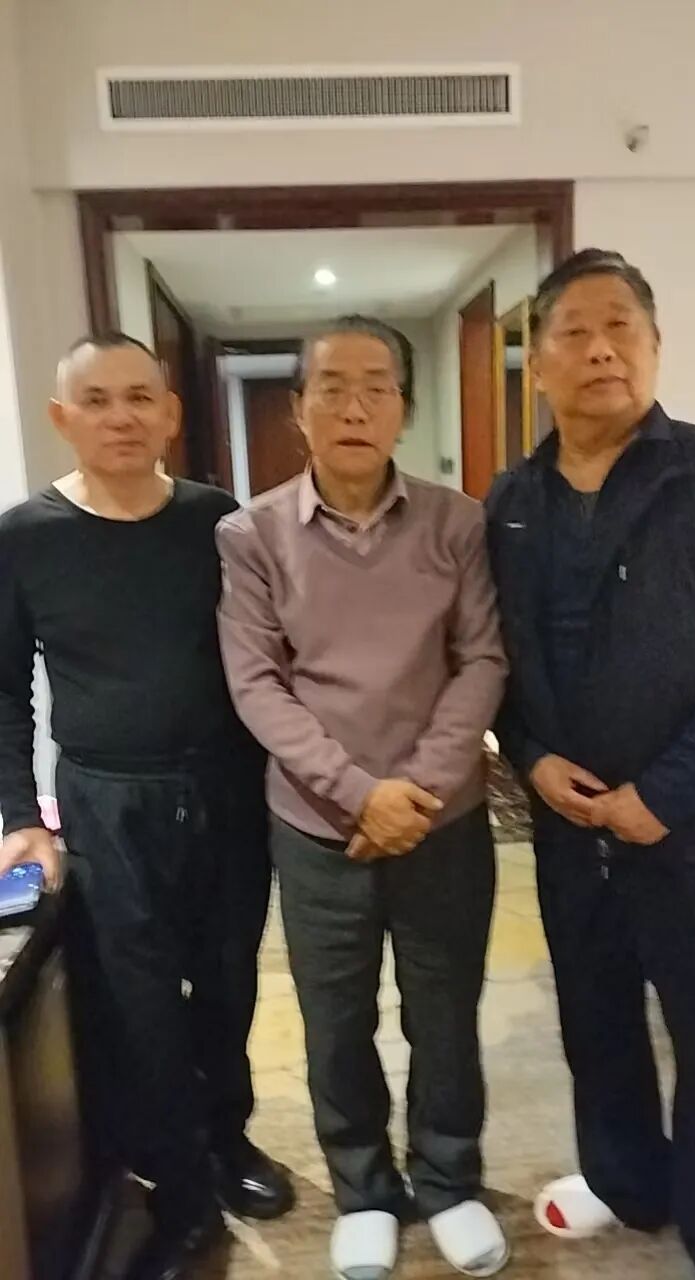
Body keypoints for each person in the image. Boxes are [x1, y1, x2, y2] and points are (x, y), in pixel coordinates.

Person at [217, 315, 509, 1280]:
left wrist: (414, 789)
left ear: (402, 408)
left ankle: (450, 1182)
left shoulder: (457, 523)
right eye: (331, 387)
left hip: (442, 821)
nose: (353, 405)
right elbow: (257, 683)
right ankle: (365, 1192)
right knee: (336, 1018)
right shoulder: (251, 534)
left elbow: (482, 660)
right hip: (316, 826)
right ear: (298, 409)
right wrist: (356, 793)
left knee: (445, 1011)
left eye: (375, 386)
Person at [0, 334, 293, 1280]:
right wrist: (22, 816)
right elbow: (4, 691)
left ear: (169, 413)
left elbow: (268, 654)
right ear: (62, 418)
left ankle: (229, 1139)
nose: (120, 417)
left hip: (227, 791)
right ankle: (182, 1193)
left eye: (139, 398)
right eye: (96, 400)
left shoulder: (219, 521)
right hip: (107, 802)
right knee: (140, 1011)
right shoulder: (23, 537)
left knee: (229, 985)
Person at [487, 249, 695, 1280]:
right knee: (596, 1016)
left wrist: (667, 790)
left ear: (655, 346)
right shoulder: (510, 499)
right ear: (538, 362)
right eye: (574, 332)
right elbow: (493, 656)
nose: (600, 350)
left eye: (621, 327)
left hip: (694, 820)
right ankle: (630, 1179)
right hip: (569, 823)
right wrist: (530, 756)